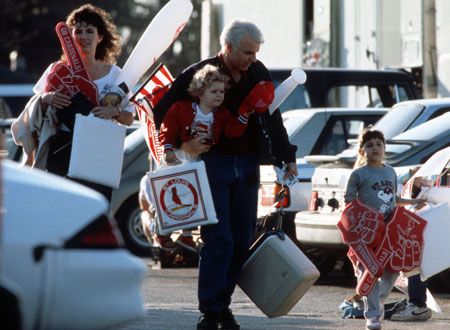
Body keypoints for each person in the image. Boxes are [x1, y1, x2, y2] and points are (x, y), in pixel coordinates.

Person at [154, 18, 298, 330]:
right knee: (219, 238)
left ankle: (223, 305)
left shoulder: (257, 72)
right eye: (247, 52)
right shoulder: (200, 72)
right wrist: (182, 143)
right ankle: (209, 309)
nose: (253, 59)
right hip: (212, 162)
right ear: (228, 47)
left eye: (256, 52)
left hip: (247, 163)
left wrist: (287, 156)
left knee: (242, 238)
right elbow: (161, 110)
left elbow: (272, 116)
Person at [12, 4, 134, 200]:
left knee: (95, 211)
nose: (83, 36)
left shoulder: (115, 75)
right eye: (78, 31)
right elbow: (35, 104)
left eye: (89, 31)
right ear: (68, 37)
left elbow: (129, 118)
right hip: (61, 147)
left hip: (99, 151)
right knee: (59, 206)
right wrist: (46, 98)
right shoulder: (57, 70)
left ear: (100, 37)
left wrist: (115, 113)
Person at [344, 128, 424, 330]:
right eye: (370, 145)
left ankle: (376, 300)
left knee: (392, 271)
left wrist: (414, 201)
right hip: (365, 234)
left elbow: (393, 199)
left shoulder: (390, 172)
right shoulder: (358, 174)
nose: (375, 148)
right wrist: (358, 221)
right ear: (362, 151)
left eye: (379, 144)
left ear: (384, 148)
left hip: (389, 232)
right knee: (370, 272)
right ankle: (372, 315)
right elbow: (349, 202)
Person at [160, 64, 250, 165]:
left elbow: (232, 131)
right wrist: (167, 150)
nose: (219, 95)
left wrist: (244, 116)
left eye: (222, 91)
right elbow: (168, 129)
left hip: (200, 160)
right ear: (200, 92)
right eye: (214, 91)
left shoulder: (222, 113)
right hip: (176, 156)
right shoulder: (181, 108)